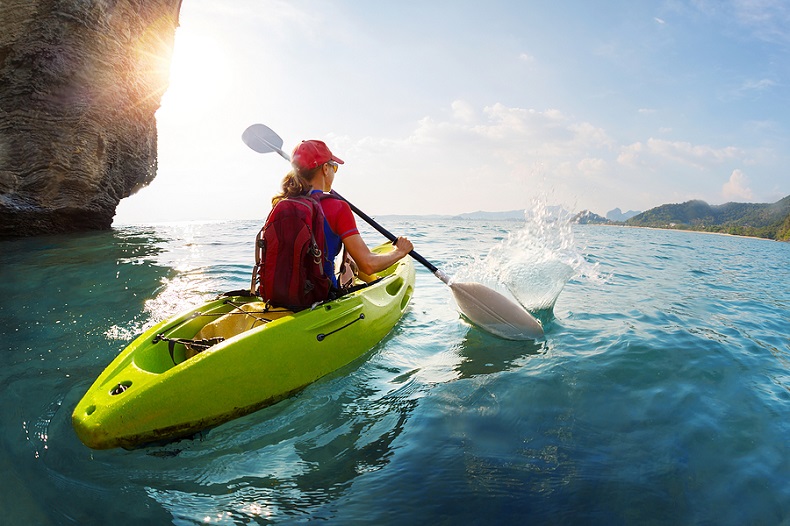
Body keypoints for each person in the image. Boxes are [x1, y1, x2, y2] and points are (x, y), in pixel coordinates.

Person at [271, 139, 413, 291]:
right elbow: (368, 265)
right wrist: (400, 252)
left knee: (350, 255)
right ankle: (375, 284)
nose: (334, 172)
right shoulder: (337, 207)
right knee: (353, 256)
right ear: (325, 168)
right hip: (321, 295)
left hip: (278, 294)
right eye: (334, 167)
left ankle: (374, 281)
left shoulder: (282, 204)